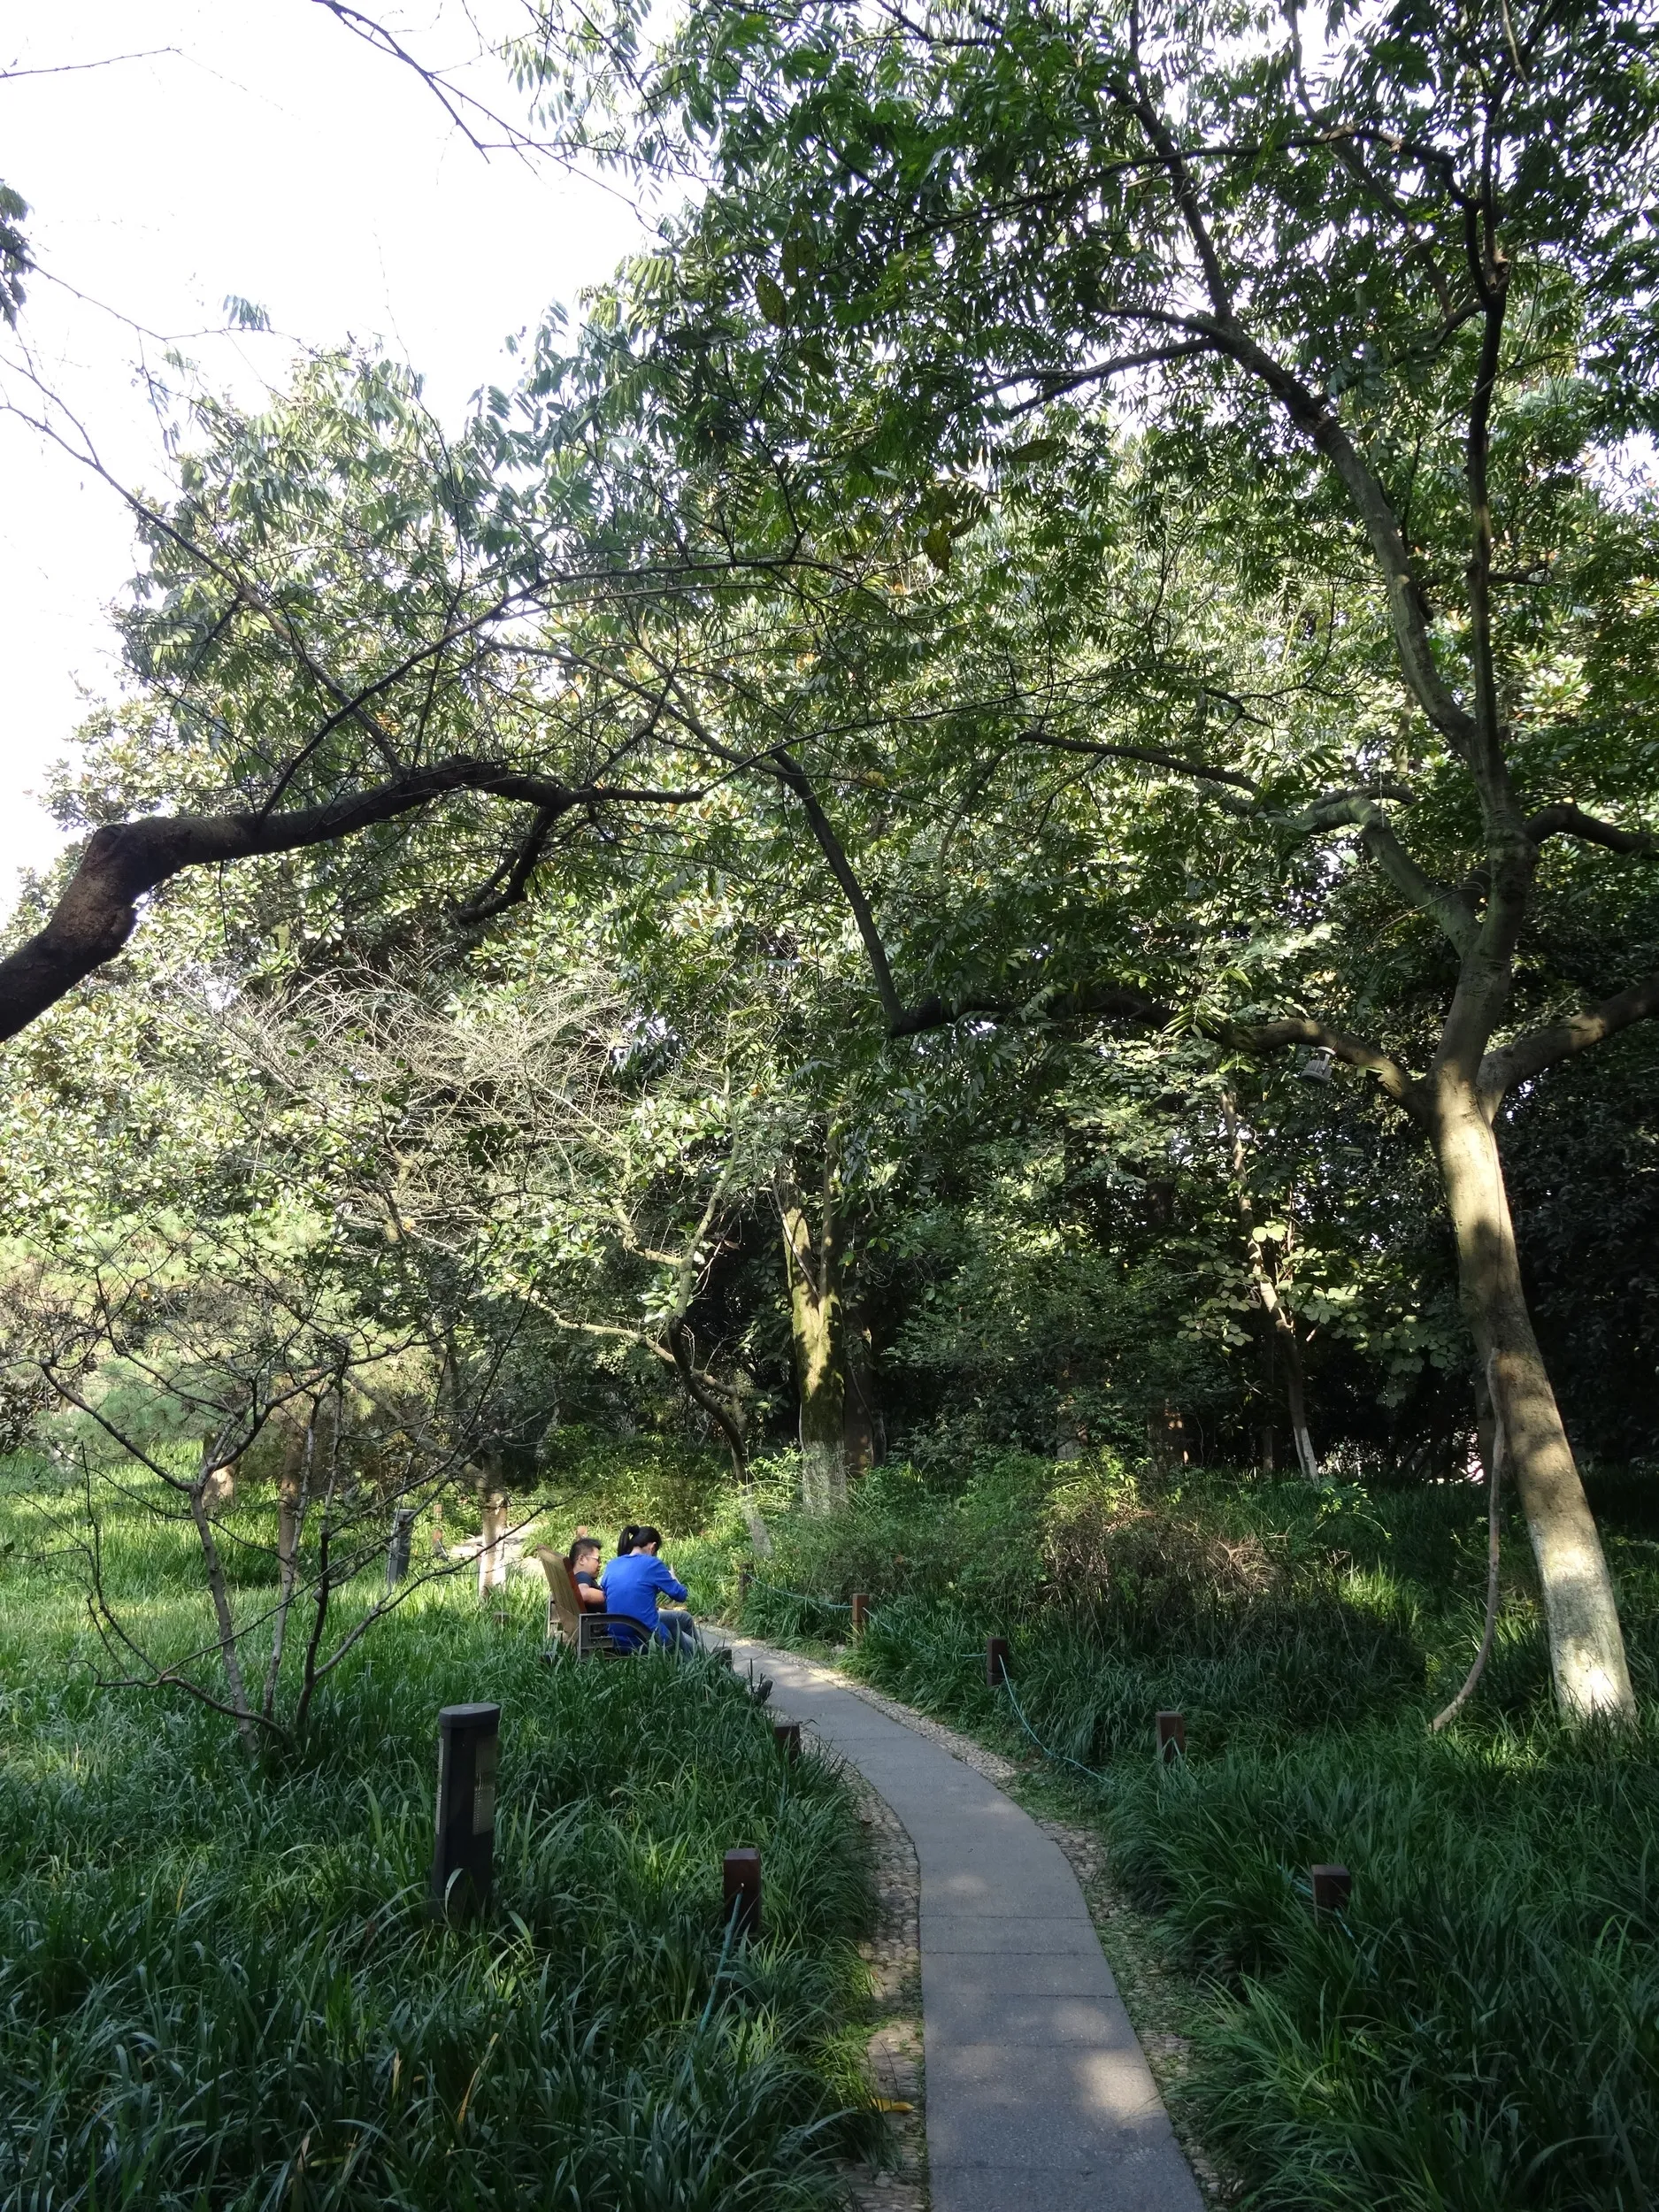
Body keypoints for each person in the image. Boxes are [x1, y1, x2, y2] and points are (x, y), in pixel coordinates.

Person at [600, 1525, 703, 1655]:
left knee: (682, 1618)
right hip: (643, 1636)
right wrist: (674, 1578)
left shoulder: (612, 1564)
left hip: (616, 1636)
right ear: (652, 1547)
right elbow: (681, 1595)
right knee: (673, 1628)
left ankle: (701, 1656)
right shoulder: (652, 1564)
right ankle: (704, 1660)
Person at [566, 1537, 606, 1610]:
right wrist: (612, 1596)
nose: (600, 1564)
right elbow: (583, 1594)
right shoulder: (582, 1575)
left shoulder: (574, 1578)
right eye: (598, 1559)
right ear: (581, 1559)